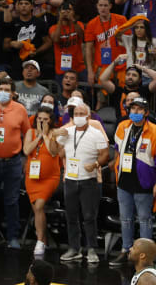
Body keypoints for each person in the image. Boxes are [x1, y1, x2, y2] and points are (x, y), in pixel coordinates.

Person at [55, 103, 109, 263]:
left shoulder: (96, 133)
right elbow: (57, 152)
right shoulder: (67, 132)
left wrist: (95, 164)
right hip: (70, 179)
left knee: (89, 216)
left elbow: (105, 154)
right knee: (71, 215)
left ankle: (91, 249)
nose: (78, 116)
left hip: (89, 180)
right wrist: (53, 137)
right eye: (76, 113)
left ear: (88, 116)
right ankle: (74, 248)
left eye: (81, 113)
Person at [0, 78, 30, 248]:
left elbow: (28, 133)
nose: (3, 92)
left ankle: (13, 237)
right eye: (0, 88)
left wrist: (27, 157)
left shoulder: (20, 109)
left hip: (13, 161)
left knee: (11, 200)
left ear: (13, 93)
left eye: (7, 89)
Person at [108, 97, 156, 267]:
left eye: (139, 109)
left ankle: (146, 258)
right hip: (124, 180)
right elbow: (117, 150)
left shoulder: (154, 131)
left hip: (144, 182)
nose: (135, 112)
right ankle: (126, 250)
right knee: (126, 219)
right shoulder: (122, 126)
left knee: (144, 219)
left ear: (146, 112)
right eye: (132, 109)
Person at [23, 108, 61, 257]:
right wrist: (38, 137)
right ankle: (44, 241)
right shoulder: (30, 133)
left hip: (50, 178)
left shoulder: (55, 133)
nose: (42, 121)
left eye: (45, 119)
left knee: (39, 206)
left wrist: (45, 135)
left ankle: (39, 241)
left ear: (50, 120)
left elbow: (53, 152)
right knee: (37, 210)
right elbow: (26, 151)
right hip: (32, 177)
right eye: (39, 119)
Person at [4, 0, 52, 78]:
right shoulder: (12, 23)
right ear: (17, 7)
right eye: (21, 4)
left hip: (36, 63)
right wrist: (12, 44)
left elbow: (48, 42)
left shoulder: (40, 23)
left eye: (26, 3)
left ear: (32, 6)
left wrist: (37, 51)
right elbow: (5, 46)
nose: (23, 6)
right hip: (17, 64)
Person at [84, 0, 128, 86]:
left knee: (122, 95)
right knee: (102, 98)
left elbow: (129, 42)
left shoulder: (121, 20)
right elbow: (88, 49)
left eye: (105, 5)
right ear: (97, 6)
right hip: (102, 66)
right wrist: (90, 71)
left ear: (110, 6)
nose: (103, 8)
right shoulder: (91, 24)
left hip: (122, 65)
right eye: (100, 5)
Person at [99, 55, 156, 119]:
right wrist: (115, 62)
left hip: (141, 124)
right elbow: (103, 79)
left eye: (134, 75)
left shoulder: (144, 91)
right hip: (121, 125)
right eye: (128, 74)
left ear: (140, 79)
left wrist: (143, 69)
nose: (130, 77)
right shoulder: (118, 91)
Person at [50, 2, 87, 85]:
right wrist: (60, 19)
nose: (66, 12)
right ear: (59, 12)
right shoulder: (53, 28)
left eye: (69, 10)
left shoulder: (78, 24)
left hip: (79, 68)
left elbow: (83, 36)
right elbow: (56, 39)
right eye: (64, 10)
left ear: (73, 12)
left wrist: (72, 19)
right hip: (62, 70)